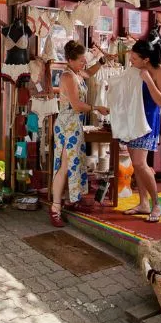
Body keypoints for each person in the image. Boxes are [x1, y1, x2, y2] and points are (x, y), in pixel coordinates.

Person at [50, 41, 110, 227]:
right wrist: (96, 108)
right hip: (67, 124)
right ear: (70, 60)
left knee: (74, 163)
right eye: (81, 60)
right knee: (65, 165)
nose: (84, 63)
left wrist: (101, 61)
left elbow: (89, 73)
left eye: (85, 60)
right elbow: (76, 105)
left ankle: (70, 199)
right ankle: (55, 208)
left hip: (74, 124)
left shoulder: (76, 73)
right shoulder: (68, 76)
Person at [123, 40, 161, 223]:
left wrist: (148, 79)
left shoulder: (160, 71)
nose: (131, 61)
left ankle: (156, 203)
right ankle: (143, 203)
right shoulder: (134, 70)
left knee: (140, 163)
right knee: (136, 165)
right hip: (133, 120)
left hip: (149, 121)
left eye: (134, 58)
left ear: (146, 59)